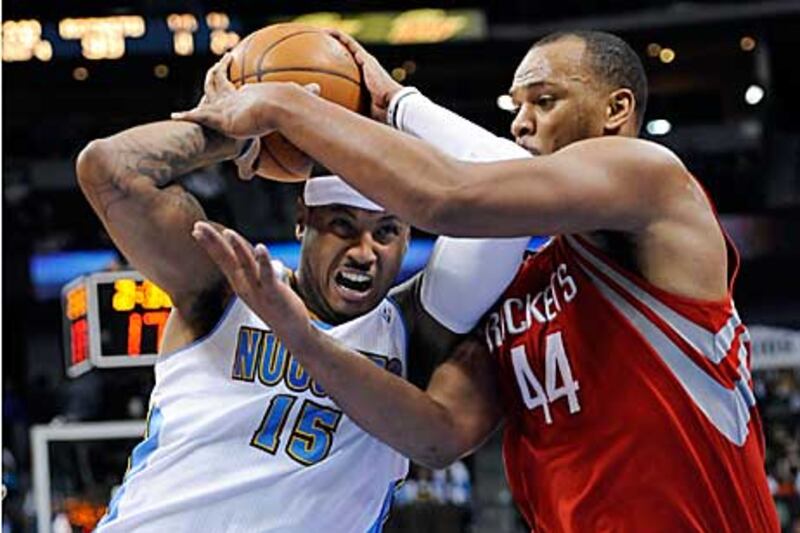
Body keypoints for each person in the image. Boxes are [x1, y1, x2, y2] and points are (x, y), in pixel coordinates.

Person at [178, 30, 780, 531]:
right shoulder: (516, 288)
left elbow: (450, 198)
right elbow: (439, 434)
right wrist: (303, 339)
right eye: (515, 106)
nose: (522, 123)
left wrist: (292, 105)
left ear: (615, 111)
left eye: (544, 102)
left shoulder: (652, 180)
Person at [76, 55, 531, 531]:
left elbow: (514, 178)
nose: (364, 251)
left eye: (387, 231)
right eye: (342, 226)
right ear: (302, 220)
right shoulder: (230, 285)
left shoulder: (415, 328)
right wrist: (234, 135)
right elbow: (108, 170)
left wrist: (401, 106)